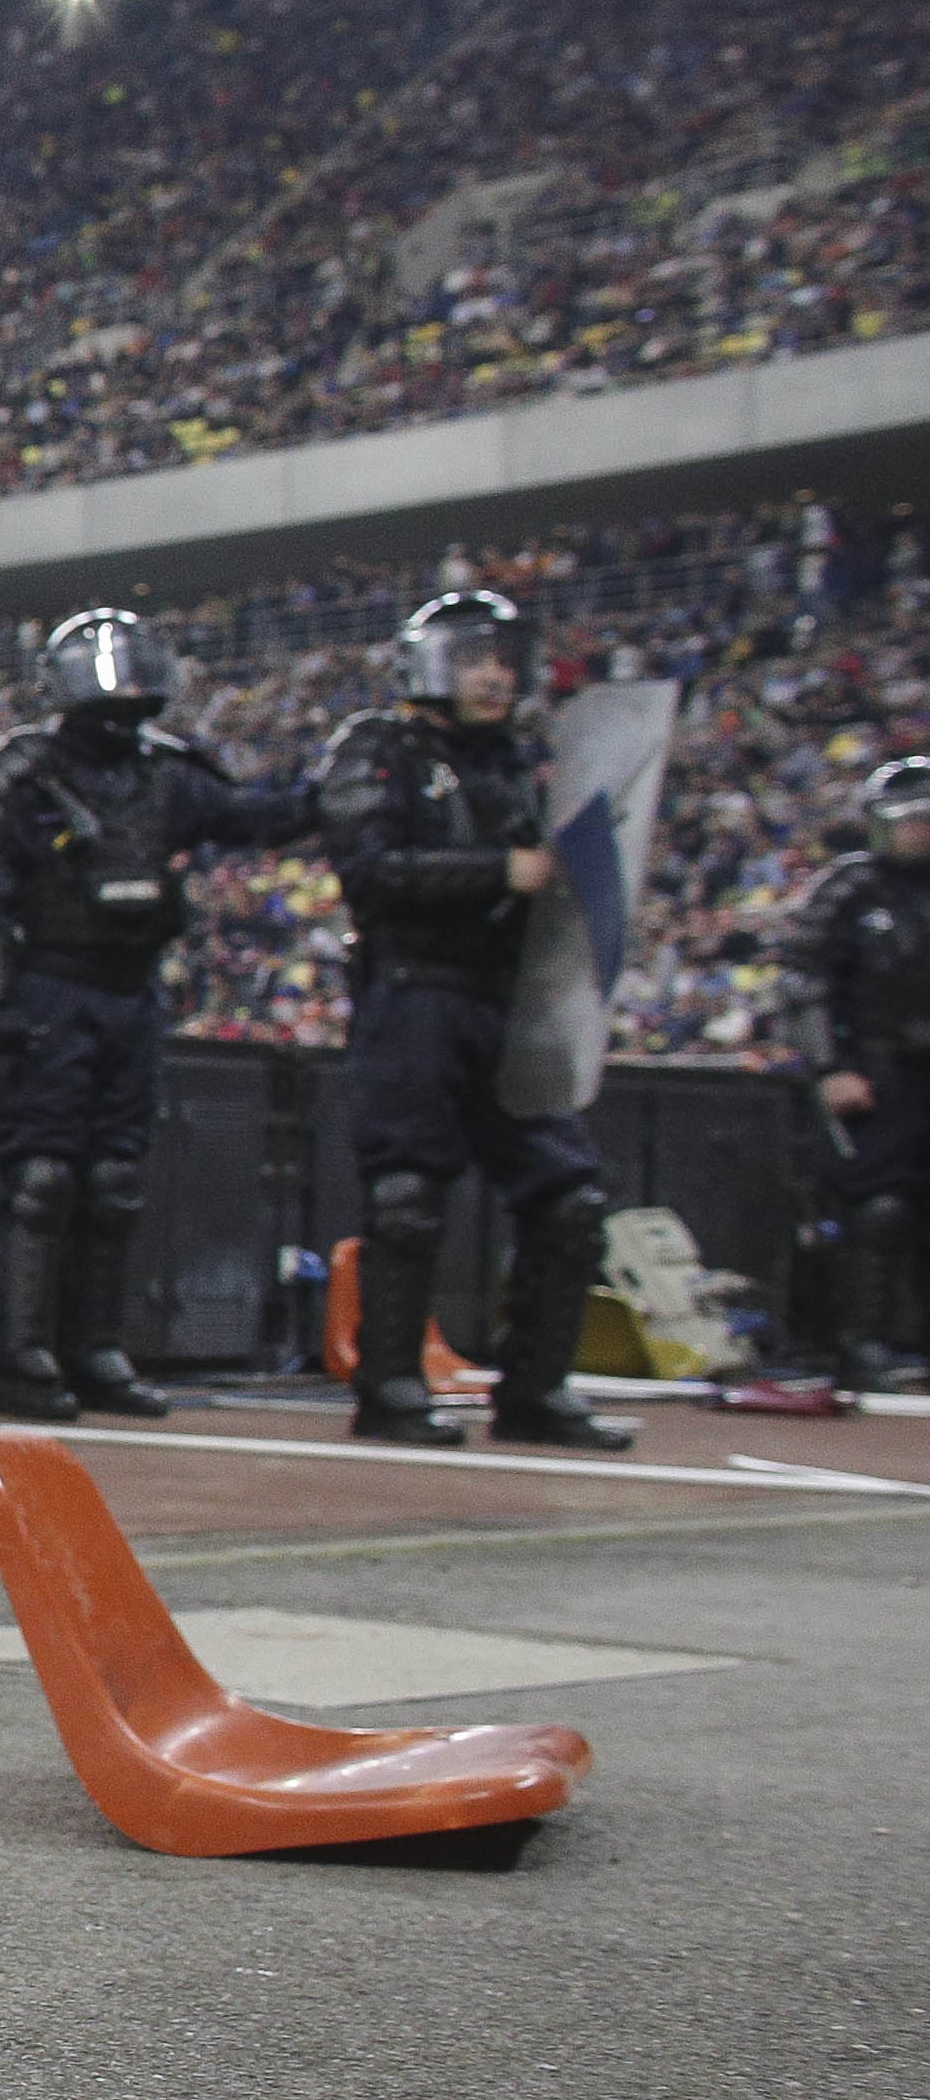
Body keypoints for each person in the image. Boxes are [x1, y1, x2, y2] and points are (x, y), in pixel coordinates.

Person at [0, 607, 310, 1418]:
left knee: (113, 1178)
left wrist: (325, 798)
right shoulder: (25, 772)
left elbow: (253, 817)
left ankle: (96, 1349)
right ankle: (21, 1354)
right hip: (49, 986)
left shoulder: (167, 772)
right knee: (38, 1179)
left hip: (129, 989)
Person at [311, 588, 635, 1452]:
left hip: (513, 1004)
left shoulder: (522, 763)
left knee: (569, 1197)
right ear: (430, 665)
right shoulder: (376, 748)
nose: (495, 674)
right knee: (409, 1197)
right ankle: (389, 1389)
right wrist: (501, 871)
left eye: (503, 657)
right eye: (473, 657)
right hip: (415, 995)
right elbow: (371, 871)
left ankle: (536, 1389)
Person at [792, 754, 930, 1389]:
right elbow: (806, 985)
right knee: (878, 1208)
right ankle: (860, 1346)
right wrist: (830, 1068)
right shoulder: (845, 889)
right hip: (876, 1069)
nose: (920, 829)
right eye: (908, 818)